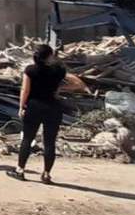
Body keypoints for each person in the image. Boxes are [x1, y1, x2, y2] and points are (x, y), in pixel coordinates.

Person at [8, 43, 86, 183]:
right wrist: (61, 89)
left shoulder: (30, 70)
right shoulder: (58, 70)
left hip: (34, 106)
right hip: (53, 107)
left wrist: (21, 107)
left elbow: (25, 90)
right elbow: (79, 84)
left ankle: (20, 170)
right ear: (50, 56)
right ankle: (46, 174)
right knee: (49, 142)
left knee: (27, 139)